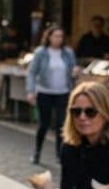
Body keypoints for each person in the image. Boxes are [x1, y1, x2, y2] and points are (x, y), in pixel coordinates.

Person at [26, 26, 79, 164]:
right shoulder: (41, 52)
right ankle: (37, 152)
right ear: (49, 37)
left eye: (61, 36)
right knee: (44, 124)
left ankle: (60, 154)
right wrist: (30, 91)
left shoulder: (68, 53)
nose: (58, 39)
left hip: (63, 92)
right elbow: (32, 72)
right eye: (55, 36)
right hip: (45, 92)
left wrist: (75, 73)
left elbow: (74, 70)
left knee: (61, 124)